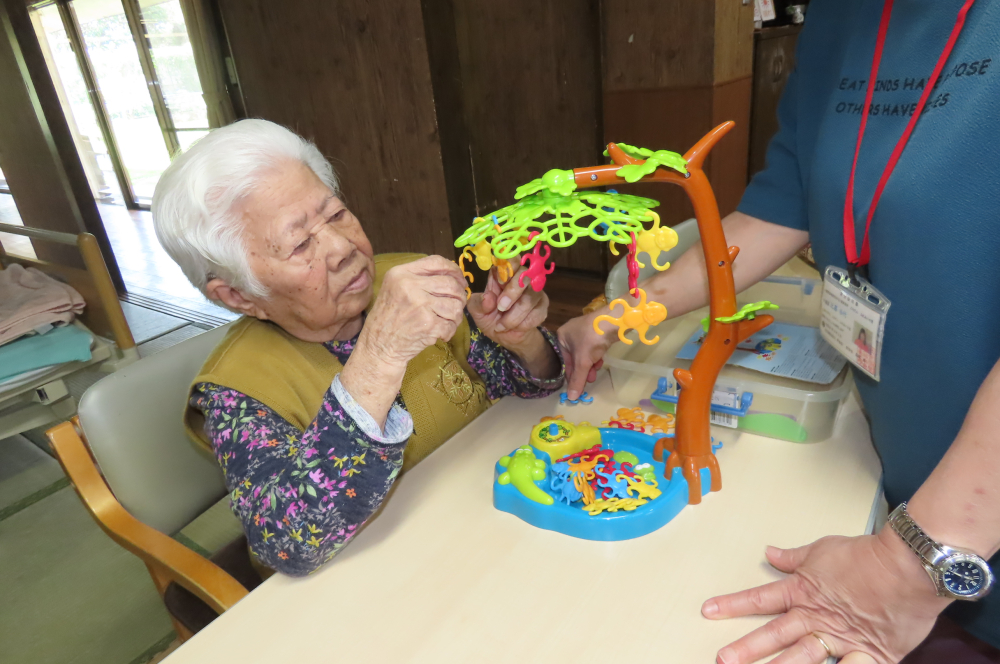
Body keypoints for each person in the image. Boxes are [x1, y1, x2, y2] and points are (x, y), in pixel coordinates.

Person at [558, 0, 1000, 662]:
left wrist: (909, 566)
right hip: (902, 509)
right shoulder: (839, 19)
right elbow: (779, 208)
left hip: (940, 548)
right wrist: (622, 313)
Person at [152, 119, 564, 577]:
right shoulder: (237, 391)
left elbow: (522, 391)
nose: (342, 246)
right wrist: (380, 356)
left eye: (336, 214)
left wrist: (521, 341)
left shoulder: (407, 280)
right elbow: (292, 544)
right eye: (299, 244)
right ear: (238, 295)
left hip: (485, 526)